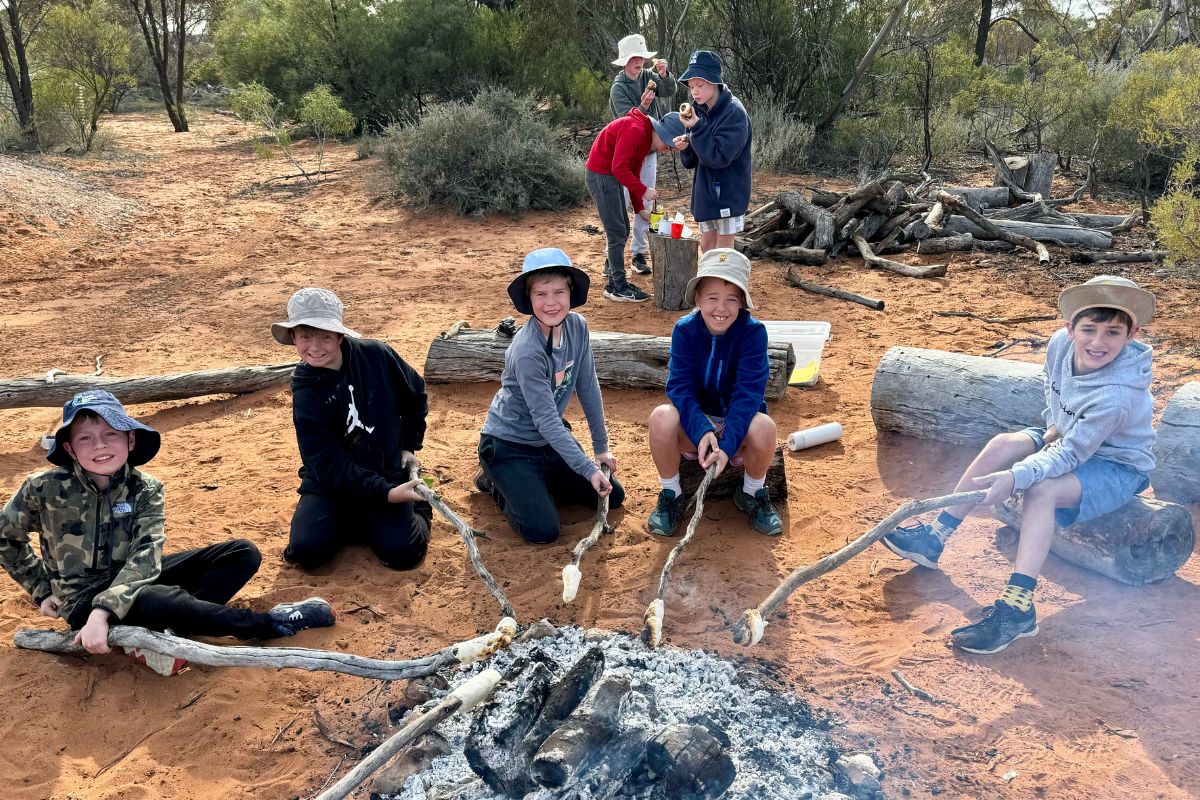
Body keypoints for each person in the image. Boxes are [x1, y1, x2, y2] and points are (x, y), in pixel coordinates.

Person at [880, 275, 1158, 654]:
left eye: (1112, 332)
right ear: (1069, 328)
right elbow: (1054, 391)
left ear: (1131, 334)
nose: (1098, 342)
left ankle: (1018, 608)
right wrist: (1048, 431)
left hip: (1116, 464)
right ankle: (936, 535)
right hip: (1067, 434)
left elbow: (1073, 457)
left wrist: (1019, 476)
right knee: (1001, 444)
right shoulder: (1060, 346)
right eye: (1089, 329)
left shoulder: (1117, 396)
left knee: (1041, 490)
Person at [0, 391, 335, 661]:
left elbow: (146, 556)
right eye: (85, 438)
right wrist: (43, 590)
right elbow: (6, 536)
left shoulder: (145, 488)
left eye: (110, 433)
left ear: (130, 440)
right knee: (161, 599)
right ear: (70, 449)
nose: (100, 445)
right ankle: (270, 624)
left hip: (136, 576)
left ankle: (172, 629)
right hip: (83, 600)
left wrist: (108, 611)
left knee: (241, 553)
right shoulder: (43, 488)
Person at [272, 287, 432, 570]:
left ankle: (419, 505)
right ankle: (363, 517)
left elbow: (416, 393)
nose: (315, 346)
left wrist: (409, 444)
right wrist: (385, 494)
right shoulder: (306, 391)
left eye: (325, 336)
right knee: (305, 553)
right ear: (294, 338)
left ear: (340, 335)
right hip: (333, 484)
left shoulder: (376, 355)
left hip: (386, 468)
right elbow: (326, 464)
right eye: (305, 336)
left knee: (403, 553)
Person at [475, 248, 626, 543]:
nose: (551, 302)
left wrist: (601, 447)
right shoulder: (528, 351)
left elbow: (587, 385)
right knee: (543, 531)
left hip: (550, 440)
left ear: (571, 292)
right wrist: (584, 467)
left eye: (559, 291)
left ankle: (538, 482)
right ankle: (496, 480)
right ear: (529, 299)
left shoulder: (577, 327)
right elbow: (544, 419)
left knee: (612, 495)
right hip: (511, 445)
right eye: (541, 294)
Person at [646, 248, 783, 537]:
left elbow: (749, 394)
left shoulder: (753, 333)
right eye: (712, 298)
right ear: (697, 298)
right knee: (661, 417)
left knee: (764, 426)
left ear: (743, 303)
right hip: (695, 422)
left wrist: (728, 443)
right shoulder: (684, 330)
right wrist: (701, 431)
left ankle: (751, 492)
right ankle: (672, 494)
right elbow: (679, 387)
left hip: (738, 423)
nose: (721, 309)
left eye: (731, 300)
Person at [585, 102, 686, 303]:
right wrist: (643, 191)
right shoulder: (636, 130)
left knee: (621, 230)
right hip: (601, 175)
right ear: (662, 133)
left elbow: (632, 174)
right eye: (668, 145)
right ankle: (618, 287)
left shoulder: (646, 140)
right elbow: (619, 168)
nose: (668, 150)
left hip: (608, 176)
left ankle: (616, 283)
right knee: (617, 232)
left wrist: (640, 209)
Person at [609, 33, 676, 277]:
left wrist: (664, 74)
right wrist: (644, 107)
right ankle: (614, 254)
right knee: (623, 202)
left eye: (640, 57)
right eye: (633, 58)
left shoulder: (649, 77)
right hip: (626, 155)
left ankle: (639, 251)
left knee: (645, 200)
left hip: (648, 151)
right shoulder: (618, 89)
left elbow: (669, 89)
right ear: (624, 62)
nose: (638, 62)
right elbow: (627, 121)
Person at [671, 50, 752, 253]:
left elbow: (719, 157)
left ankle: (722, 285)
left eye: (700, 85)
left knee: (723, 250)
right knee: (707, 246)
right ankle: (710, 284)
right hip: (706, 193)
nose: (695, 92)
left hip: (727, 192)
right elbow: (691, 161)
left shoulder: (734, 113)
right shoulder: (698, 110)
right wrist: (687, 145)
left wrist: (697, 130)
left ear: (715, 82)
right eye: (691, 87)